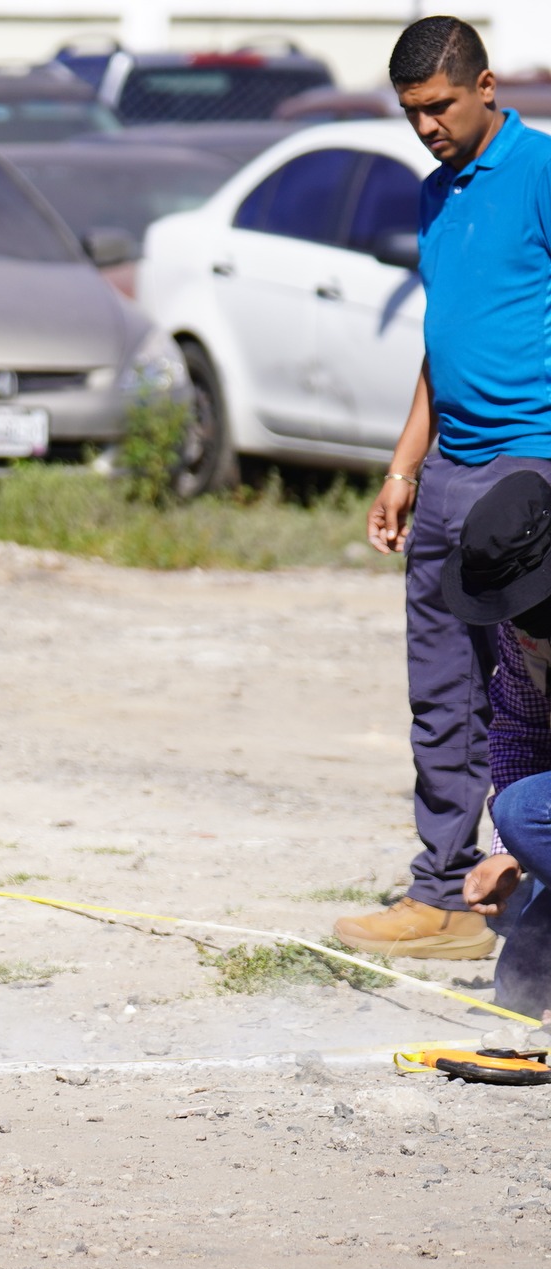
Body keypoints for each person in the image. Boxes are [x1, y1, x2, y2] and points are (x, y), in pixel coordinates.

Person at [347, 15, 551, 959]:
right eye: (411, 113)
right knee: (440, 688)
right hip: (450, 472)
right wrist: (403, 467)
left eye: (438, 106)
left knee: (526, 687)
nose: (426, 126)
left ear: (486, 87)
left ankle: (528, 880)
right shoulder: (437, 195)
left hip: (528, 470)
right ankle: (442, 894)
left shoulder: (541, 175)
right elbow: (442, 347)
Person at [437, 472, 551, 1022]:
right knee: (517, 975)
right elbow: (520, 731)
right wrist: (507, 852)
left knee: (527, 812)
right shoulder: (525, 629)